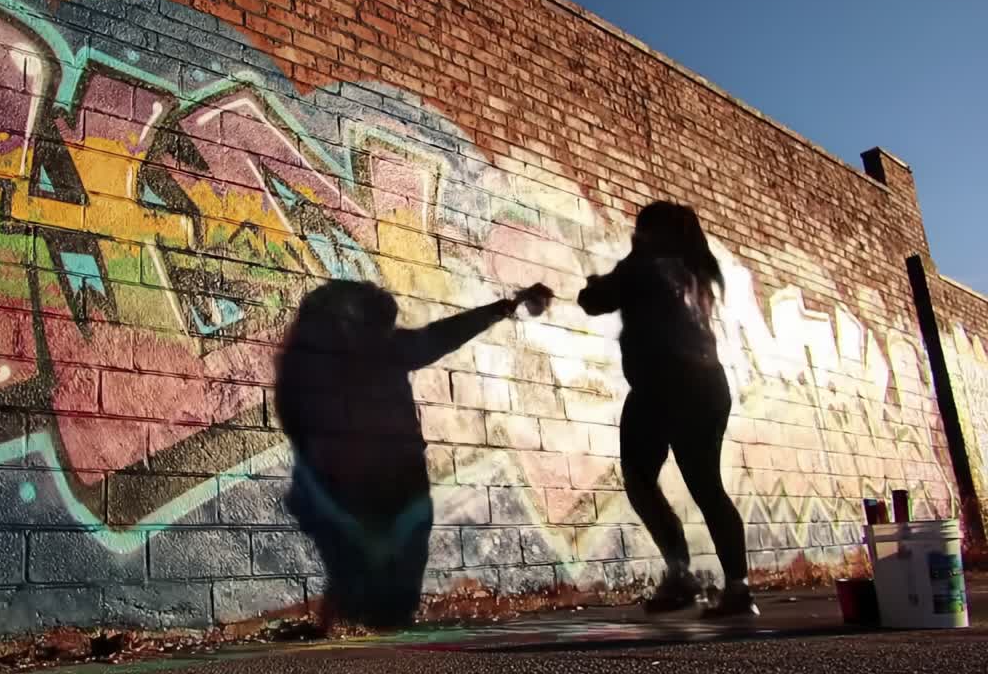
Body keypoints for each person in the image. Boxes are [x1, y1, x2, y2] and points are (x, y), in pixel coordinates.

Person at [276, 280, 554, 628]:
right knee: (372, 565)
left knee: (372, 568)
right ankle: (353, 620)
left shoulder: (345, 355)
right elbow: (440, 336)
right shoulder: (363, 354)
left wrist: (505, 307)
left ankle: (347, 621)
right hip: (372, 480)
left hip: (380, 478)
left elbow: (443, 335)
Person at [578, 201, 757, 618]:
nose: (636, 234)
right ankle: (737, 588)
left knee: (641, 480)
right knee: (707, 487)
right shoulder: (696, 274)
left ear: (653, 233)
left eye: (642, 228)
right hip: (707, 385)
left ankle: (681, 575)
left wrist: (596, 281)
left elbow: (593, 300)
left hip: (663, 386)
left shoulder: (643, 266)